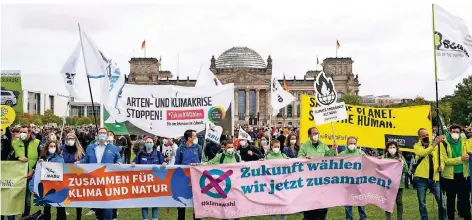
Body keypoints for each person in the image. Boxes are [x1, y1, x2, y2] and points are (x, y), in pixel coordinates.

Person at [76, 127, 122, 220]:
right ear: (97, 135)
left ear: (107, 135)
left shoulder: (113, 148)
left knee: (107, 205)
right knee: (98, 205)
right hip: (95, 180)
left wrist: (119, 163)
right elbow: (86, 159)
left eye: (104, 133)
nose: (102, 134)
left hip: (108, 180)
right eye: (100, 132)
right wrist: (79, 162)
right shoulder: (91, 147)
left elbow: (119, 158)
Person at [298, 127, 337, 220]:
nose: (316, 135)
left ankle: (322, 217)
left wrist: (333, 150)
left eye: (317, 133)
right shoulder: (304, 146)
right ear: (309, 135)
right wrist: (304, 158)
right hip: (309, 180)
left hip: (321, 179)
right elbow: (299, 157)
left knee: (322, 203)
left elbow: (328, 155)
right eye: (314, 133)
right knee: (310, 203)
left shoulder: (323, 145)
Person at [413, 128, 446, 220]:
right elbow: (423, 153)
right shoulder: (416, 146)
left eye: (427, 135)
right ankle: (424, 218)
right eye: (423, 136)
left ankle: (443, 218)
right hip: (421, 178)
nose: (426, 137)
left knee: (441, 202)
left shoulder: (438, 145)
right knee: (422, 203)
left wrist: (442, 166)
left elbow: (441, 158)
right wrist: (434, 144)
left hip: (435, 178)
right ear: (419, 137)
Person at [440, 124, 472, 220]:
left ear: (461, 133)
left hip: (464, 175)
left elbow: (468, 151)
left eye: (457, 132)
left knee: (465, 200)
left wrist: (469, 154)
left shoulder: (464, 141)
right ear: (449, 132)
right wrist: (460, 159)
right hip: (450, 177)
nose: (455, 134)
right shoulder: (443, 144)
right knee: (450, 201)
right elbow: (446, 161)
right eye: (453, 132)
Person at [29, 141, 66, 220]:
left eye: (54, 146)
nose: (52, 147)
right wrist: (32, 187)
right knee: (46, 209)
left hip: (57, 188)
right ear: (47, 147)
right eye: (51, 146)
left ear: (56, 148)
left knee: (60, 209)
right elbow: (36, 173)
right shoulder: (42, 158)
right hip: (45, 188)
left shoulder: (60, 158)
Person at [132, 137, 167, 220]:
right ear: (145, 143)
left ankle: (155, 218)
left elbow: (163, 163)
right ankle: (145, 218)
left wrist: (164, 164)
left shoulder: (158, 154)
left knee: (155, 201)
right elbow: (134, 162)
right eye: (147, 142)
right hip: (143, 183)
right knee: (144, 201)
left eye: (150, 142)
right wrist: (133, 163)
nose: (149, 143)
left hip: (155, 183)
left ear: (153, 143)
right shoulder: (140, 154)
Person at [12, 125, 41, 218]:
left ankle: (25, 217)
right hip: (18, 176)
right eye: (20, 132)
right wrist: (17, 158)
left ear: (29, 133)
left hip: (31, 175)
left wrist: (33, 170)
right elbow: (9, 157)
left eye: (24, 132)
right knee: (15, 198)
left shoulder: (37, 143)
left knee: (27, 201)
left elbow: (40, 159)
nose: (22, 134)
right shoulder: (15, 143)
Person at [175, 129, 202, 220]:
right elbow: (177, 164)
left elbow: (201, 161)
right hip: (184, 180)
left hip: (196, 179)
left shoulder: (198, 148)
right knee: (182, 201)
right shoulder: (180, 149)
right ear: (189, 138)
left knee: (196, 201)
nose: (196, 137)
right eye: (194, 136)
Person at [338, 137, 366, 220]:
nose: (352, 145)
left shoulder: (361, 153)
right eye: (350, 143)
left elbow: (368, 163)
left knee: (361, 202)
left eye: (354, 143)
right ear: (347, 144)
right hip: (347, 183)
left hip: (359, 182)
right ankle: (349, 218)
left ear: (356, 144)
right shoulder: (342, 154)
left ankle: (363, 217)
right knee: (347, 203)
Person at [60, 132, 85, 220]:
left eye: (72, 138)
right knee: (63, 196)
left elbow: (85, 161)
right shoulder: (61, 149)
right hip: (64, 176)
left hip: (76, 177)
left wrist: (80, 162)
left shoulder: (80, 150)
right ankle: (62, 216)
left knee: (77, 197)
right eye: (68, 138)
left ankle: (79, 216)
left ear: (75, 139)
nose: (70, 140)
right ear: (65, 139)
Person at [382, 141, 408, 220]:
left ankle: (399, 218)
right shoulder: (383, 157)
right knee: (388, 202)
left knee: (399, 202)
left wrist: (402, 163)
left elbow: (406, 170)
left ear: (397, 148)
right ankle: (388, 218)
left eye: (394, 147)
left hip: (399, 184)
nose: (392, 149)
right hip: (388, 184)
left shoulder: (400, 157)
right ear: (387, 149)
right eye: (390, 147)